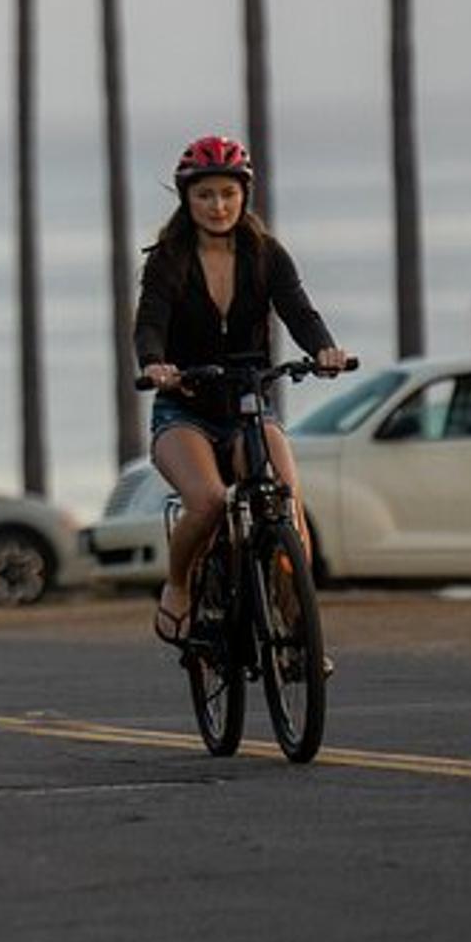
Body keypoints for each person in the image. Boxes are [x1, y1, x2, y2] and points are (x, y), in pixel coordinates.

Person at [134, 135, 351, 644]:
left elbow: (299, 311)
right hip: (183, 410)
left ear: (244, 195)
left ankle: (296, 629)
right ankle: (180, 585)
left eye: (228, 194)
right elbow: (149, 323)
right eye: (205, 194)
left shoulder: (266, 254)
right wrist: (155, 363)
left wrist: (325, 349)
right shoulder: (169, 259)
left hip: (249, 404)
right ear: (188, 199)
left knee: (287, 503)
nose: (218, 205)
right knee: (209, 502)